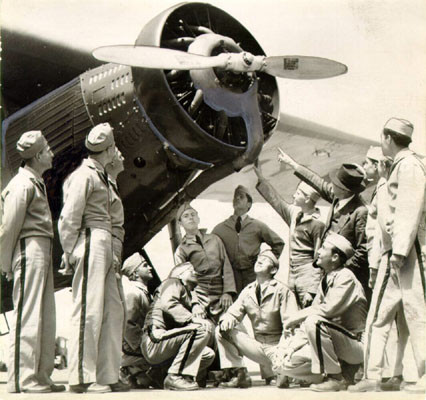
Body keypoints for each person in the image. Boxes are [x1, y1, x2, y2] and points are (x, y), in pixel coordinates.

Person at [349, 118, 426, 394]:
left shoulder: (408, 167)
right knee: (401, 314)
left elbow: (408, 209)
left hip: (403, 251)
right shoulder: (405, 167)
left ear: (388, 138)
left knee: (404, 314)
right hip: (402, 250)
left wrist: (399, 252)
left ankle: (376, 375)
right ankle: (378, 375)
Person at [58, 123, 127, 393]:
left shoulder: (102, 177)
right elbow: (70, 218)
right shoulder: (84, 176)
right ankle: (79, 376)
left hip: (105, 244)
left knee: (113, 309)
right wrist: (69, 251)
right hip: (91, 240)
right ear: (108, 149)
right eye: (113, 147)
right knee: (88, 309)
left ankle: (108, 374)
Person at [0, 131, 64, 393]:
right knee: (28, 315)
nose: (51, 153)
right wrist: (4, 264)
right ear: (37, 156)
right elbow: (8, 228)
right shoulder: (22, 185)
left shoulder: (35, 181)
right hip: (29, 250)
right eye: (47, 149)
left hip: (42, 250)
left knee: (44, 316)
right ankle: (22, 380)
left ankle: (40, 376)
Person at [277, 234, 367, 392]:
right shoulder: (326, 279)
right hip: (337, 345)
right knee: (284, 365)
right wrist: (290, 348)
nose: (318, 251)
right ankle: (331, 374)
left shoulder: (346, 277)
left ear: (335, 257)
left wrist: (294, 317)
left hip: (356, 345)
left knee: (314, 321)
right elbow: (314, 315)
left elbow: (327, 310)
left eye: (323, 248)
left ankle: (336, 379)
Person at [277, 149, 370, 301]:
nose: (331, 186)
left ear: (345, 190)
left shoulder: (360, 212)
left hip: (346, 279)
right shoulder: (338, 197)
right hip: (329, 271)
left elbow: (363, 250)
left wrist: (341, 270)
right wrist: (292, 164)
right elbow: (317, 182)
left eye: (335, 184)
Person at [216, 250, 298, 389]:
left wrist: (283, 351)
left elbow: (290, 326)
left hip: (278, 348)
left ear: (273, 270)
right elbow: (233, 312)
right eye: (259, 258)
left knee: (281, 383)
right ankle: (239, 374)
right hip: (258, 348)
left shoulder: (283, 291)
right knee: (222, 328)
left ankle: (284, 370)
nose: (259, 261)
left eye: (265, 260)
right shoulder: (248, 291)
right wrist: (227, 318)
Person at [255, 162, 325, 307]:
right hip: (292, 277)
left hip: (307, 279)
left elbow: (319, 258)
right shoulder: (295, 214)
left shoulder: (318, 224)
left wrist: (312, 290)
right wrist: (261, 178)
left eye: (298, 193)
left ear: (307, 199)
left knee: (306, 315)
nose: (294, 195)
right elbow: (277, 202)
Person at [141, 262, 215, 391]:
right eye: (190, 270)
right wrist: (193, 319)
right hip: (154, 338)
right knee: (201, 330)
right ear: (179, 275)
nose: (195, 272)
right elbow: (169, 304)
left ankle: (160, 375)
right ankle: (175, 376)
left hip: (163, 343)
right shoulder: (172, 282)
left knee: (207, 354)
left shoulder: (187, 293)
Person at [212, 185, 284, 294]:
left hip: (252, 275)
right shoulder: (220, 229)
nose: (237, 199)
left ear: (249, 204)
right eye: (235, 197)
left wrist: (265, 262)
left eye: (241, 197)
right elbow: (210, 249)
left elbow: (278, 244)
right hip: (231, 277)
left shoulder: (257, 226)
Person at [174, 202, 236, 323]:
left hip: (221, 294)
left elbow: (226, 266)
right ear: (180, 223)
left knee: (233, 325)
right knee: (204, 331)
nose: (190, 217)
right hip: (200, 296)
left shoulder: (215, 239)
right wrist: (195, 303)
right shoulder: (181, 250)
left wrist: (228, 292)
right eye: (186, 216)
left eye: (193, 214)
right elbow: (183, 281)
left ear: (198, 218)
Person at [120, 253, 154, 388]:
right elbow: (128, 325)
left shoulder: (143, 292)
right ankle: (130, 370)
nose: (150, 268)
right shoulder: (133, 293)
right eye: (145, 266)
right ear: (135, 273)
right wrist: (146, 347)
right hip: (134, 351)